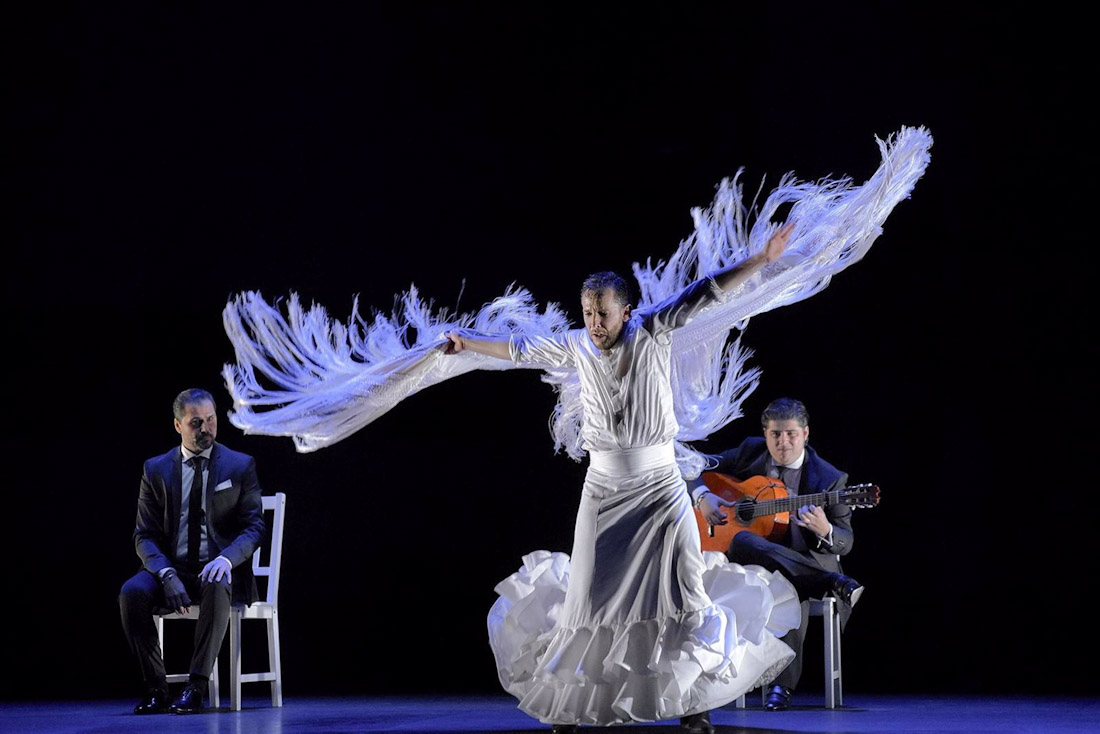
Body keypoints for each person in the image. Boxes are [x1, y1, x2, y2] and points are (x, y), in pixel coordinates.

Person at [444, 223, 796, 734]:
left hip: (658, 488)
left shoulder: (653, 328)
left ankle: (693, 703)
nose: (593, 323)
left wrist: (761, 259)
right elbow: (520, 350)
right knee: (588, 597)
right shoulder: (576, 345)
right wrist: (469, 343)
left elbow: (708, 291)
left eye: (602, 313)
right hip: (605, 492)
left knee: (681, 590)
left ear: (625, 311)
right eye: (587, 313)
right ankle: (569, 705)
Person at [686, 397, 862, 711]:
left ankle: (781, 684)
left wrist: (826, 531)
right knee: (742, 540)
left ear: (806, 434)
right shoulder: (749, 452)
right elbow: (689, 464)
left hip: (802, 560)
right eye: (775, 435)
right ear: (765, 435)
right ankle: (833, 581)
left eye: (791, 434)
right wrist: (702, 496)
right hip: (752, 555)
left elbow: (844, 540)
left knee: (790, 583)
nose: (783, 442)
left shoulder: (830, 479)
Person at [119, 388, 265, 715]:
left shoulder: (240, 465)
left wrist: (226, 558)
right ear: (178, 426)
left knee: (215, 582)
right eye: (196, 423)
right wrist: (165, 573)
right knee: (132, 593)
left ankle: (196, 687)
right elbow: (144, 534)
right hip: (172, 570)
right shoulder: (156, 470)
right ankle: (157, 689)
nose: (206, 429)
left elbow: (254, 527)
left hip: (218, 570)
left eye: (211, 420)